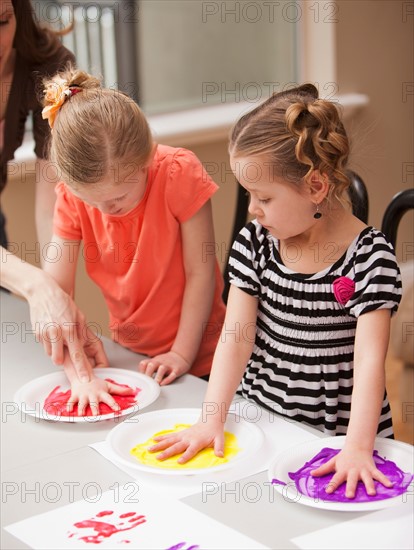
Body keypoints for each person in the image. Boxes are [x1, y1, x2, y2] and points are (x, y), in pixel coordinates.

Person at [148, 84, 402, 499]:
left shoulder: (369, 259)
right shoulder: (256, 243)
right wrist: (212, 418)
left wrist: (357, 447)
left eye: (263, 196)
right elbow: (235, 338)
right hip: (260, 419)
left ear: (316, 187)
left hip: (338, 436)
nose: (251, 208)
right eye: (249, 194)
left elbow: (371, 363)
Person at [41, 67, 226, 414]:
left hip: (205, 358)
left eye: (116, 200)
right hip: (133, 358)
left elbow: (201, 274)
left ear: (147, 159)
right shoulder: (70, 196)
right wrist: (79, 374)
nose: (104, 211)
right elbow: (55, 295)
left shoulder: (177, 173)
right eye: (90, 201)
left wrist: (182, 354)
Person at [0, 0, 98, 381]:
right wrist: (35, 284)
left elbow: (50, 207)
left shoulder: (47, 66)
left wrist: (59, 308)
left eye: (3, 21)